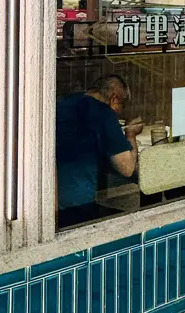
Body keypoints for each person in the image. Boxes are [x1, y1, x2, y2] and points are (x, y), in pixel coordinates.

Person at [55, 75, 142, 227]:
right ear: (114, 99)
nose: (117, 114)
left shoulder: (64, 102)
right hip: (79, 201)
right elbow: (127, 168)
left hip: (50, 199)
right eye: (120, 108)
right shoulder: (104, 113)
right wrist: (131, 135)